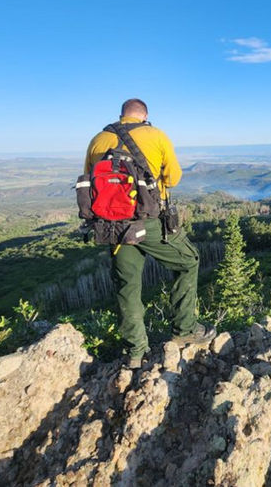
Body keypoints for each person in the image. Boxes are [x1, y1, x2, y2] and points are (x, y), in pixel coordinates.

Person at [84, 98, 215, 368]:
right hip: (149, 222)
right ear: (144, 116)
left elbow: (90, 181)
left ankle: (135, 352)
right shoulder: (155, 135)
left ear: (122, 115)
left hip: (114, 227)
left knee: (127, 284)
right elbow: (174, 177)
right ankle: (185, 329)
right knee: (189, 260)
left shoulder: (98, 139)